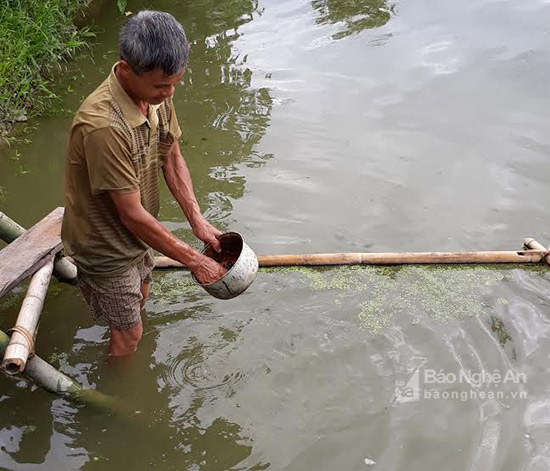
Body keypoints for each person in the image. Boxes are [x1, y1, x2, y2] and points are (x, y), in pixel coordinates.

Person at [61, 10, 226, 362]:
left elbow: (172, 156)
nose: (168, 94)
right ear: (125, 70)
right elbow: (131, 215)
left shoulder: (158, 97)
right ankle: (114, 398)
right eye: (159, 86)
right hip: (105, 243)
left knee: (142, 295)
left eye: (174, 85)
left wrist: (197, 220)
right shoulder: (103, 126)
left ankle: (123, 325)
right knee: (130, 335)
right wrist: (196, 261)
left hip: (140, 234)